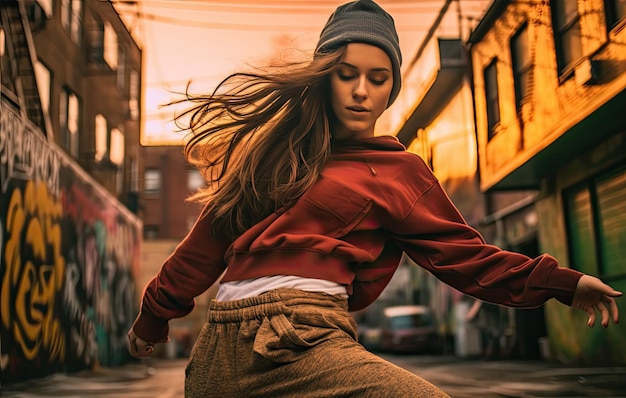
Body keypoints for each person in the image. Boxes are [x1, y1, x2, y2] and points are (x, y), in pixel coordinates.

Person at [128, 0, 622, 396]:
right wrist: (153, 317)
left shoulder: (397, 172)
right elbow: (203, 246)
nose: (360, 90)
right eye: (346, 73)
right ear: (324, 77)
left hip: (307, 340)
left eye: (377, 78)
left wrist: (562, 283)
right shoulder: (270, 155)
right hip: (219, 354)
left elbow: (467, 258)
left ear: (391, 90)